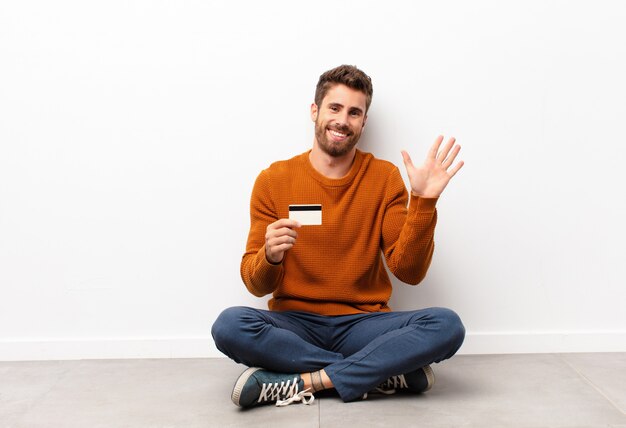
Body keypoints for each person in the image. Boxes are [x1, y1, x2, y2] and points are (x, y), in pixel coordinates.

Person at [211, 64, 466, 408]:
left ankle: (303, 381)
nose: (342, 120)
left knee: (446, 325)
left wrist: (424, 202)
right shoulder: (274, 180)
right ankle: (380, 371)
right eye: (334, 108)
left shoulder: (384, 177)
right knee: (229, 325)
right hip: (295, 324)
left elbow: (409, 272)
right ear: (315, 111)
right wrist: (269, 256)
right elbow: (256, 285)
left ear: (363, 122)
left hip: (364, 325)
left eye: (354, 112)